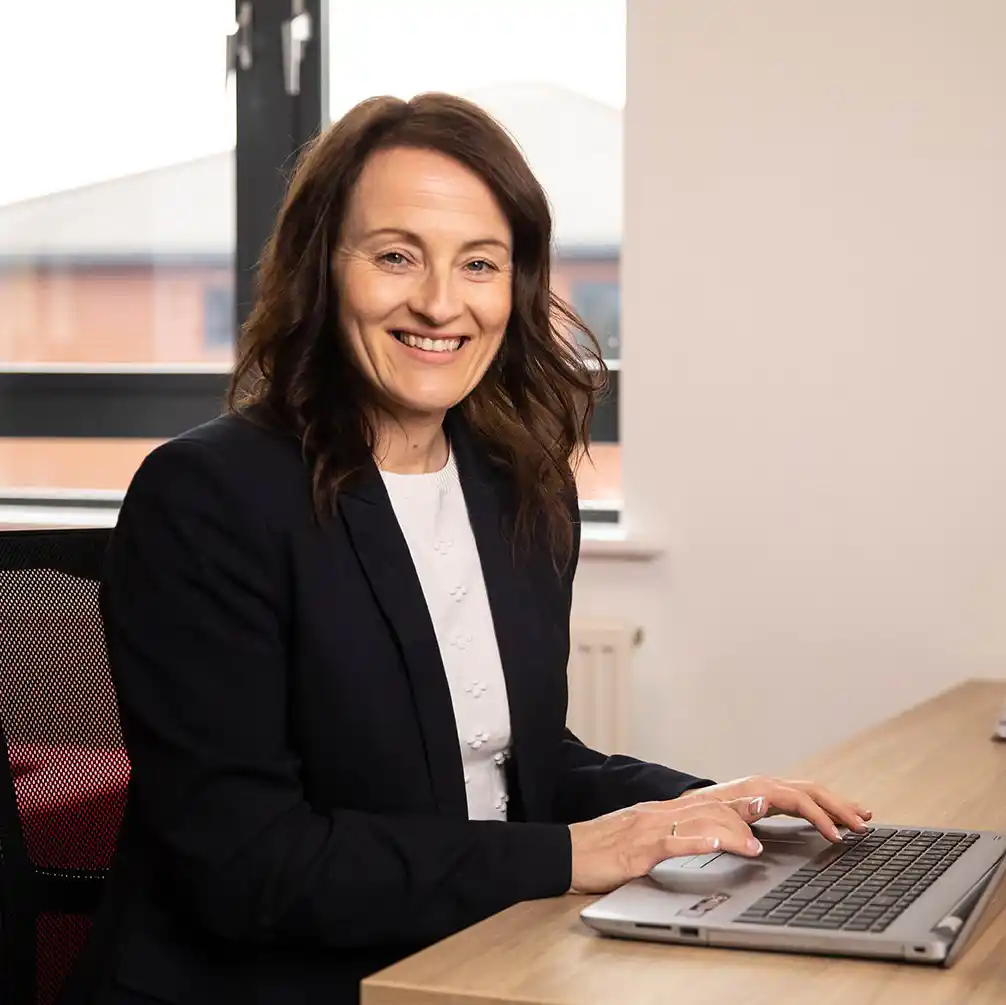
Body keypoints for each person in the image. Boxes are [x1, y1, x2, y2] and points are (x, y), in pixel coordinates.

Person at [62, 93, 870, 1005]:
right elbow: (248, 861)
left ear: (514, 285)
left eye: (479, 263)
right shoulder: (208, 496)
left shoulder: (517, 484)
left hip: (473, 951)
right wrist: (575, 852)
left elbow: (524, 762)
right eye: (396, 255)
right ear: (322, 271)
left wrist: (718, 802)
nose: (441, 302)